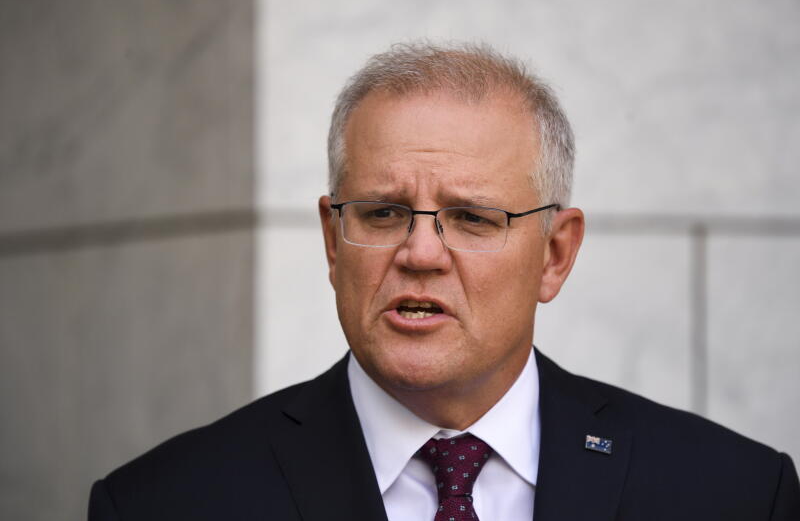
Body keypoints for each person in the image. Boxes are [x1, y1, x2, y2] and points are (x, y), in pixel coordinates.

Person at [88, 42, 800, 521]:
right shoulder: (164, 502)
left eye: (472, 218)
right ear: (333, 242)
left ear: (555, 255)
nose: (421, 252)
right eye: (382, 212)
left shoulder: (733, 493)